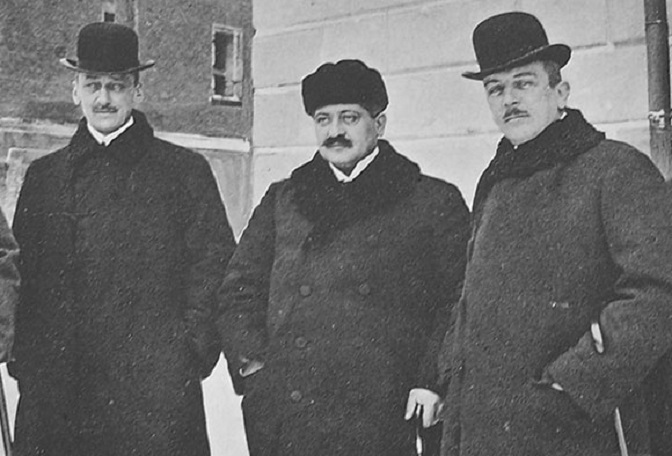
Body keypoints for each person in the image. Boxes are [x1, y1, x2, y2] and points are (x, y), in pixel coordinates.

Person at [411, 11, 672, 456]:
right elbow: (471, 296)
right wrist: (443, 378)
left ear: (560, 91)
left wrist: (572, 382)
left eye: (524, 83)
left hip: (573, 430)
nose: (509, 99)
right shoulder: (496, 180)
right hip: (483, 428)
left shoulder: (614, 169)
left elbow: (657, 291)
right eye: (495, 88)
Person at [217, 59, 470, 456]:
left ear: (379, 124)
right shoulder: (285, 198)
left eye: (349, 118)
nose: (334, 131)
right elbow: (239, 288)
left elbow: (458, 299)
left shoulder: (431, 201)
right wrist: (254, 368)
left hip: (386, 413)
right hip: (290, 413)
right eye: (323, 119)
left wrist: (432, 380)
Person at [10, 22, 236, 456]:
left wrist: (186, 355)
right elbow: (23, 276)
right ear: (75, 91)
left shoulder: (183, 172)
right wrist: (29, 362)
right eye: (92, 85)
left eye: (116, 85)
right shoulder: (44, 178)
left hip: (153, 401)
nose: (103, 98)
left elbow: (215, 269)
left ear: (137, 90)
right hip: (58, 398)